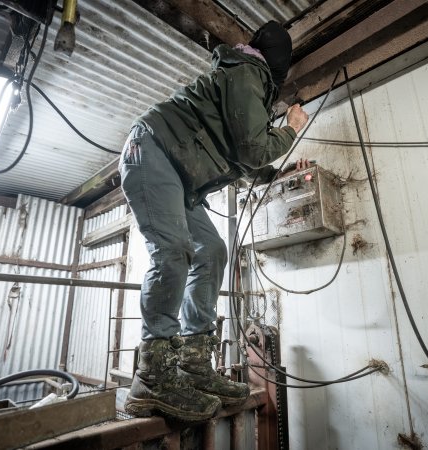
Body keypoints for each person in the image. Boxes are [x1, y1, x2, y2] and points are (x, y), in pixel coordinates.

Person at [119, 21, 309, 421]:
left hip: (179, 171)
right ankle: (151, 379)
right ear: (279, 66)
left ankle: (194, 365)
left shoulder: (243, 77)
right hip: (153, 150)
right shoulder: (247, 73)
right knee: (174, 249)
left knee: (212, 250)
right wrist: (291, 130)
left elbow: (242, 157)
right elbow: (254, 147)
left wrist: (278, 174)